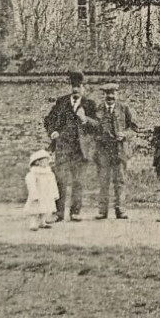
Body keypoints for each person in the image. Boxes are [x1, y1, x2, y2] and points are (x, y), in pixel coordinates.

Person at [44, 71, 96, 222]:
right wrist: (52, 131)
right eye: (73, 86)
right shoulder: (61, 102)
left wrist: (85, 118)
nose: (75, 89)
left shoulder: (90, 104)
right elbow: (48, 119)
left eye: (79, 86)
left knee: (78, 181)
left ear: (83, 87)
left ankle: (75, 212)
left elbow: (98, 125)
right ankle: (58, 213)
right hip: (63, 147)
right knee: (60, 179)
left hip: (81, 149)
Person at [93, 82, 136, 220]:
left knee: (120, 181)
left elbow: (134, 128)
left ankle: (120, 210)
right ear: (103, 95)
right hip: (103, 151)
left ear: (117, 94)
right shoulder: (97, 109)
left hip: (119, 150)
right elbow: (91, 129)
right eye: (107, 93)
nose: (110, 96)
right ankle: (102, 211)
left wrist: (124, 134)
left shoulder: (124, 109)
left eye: (113, 93)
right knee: (103, 181)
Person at [24, 151, 59, 232]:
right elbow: (31, 185)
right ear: (37, 162)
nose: (47, 163)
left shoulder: (49, 173)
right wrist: (34, 195)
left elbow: (53, 184)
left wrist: (55, 193)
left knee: (45, 209)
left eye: (47, 161)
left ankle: (42, 222)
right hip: (38, 194)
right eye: (45, 161)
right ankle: (33, 223)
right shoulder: (33, 173)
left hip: (47, 194)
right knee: (35, 210)